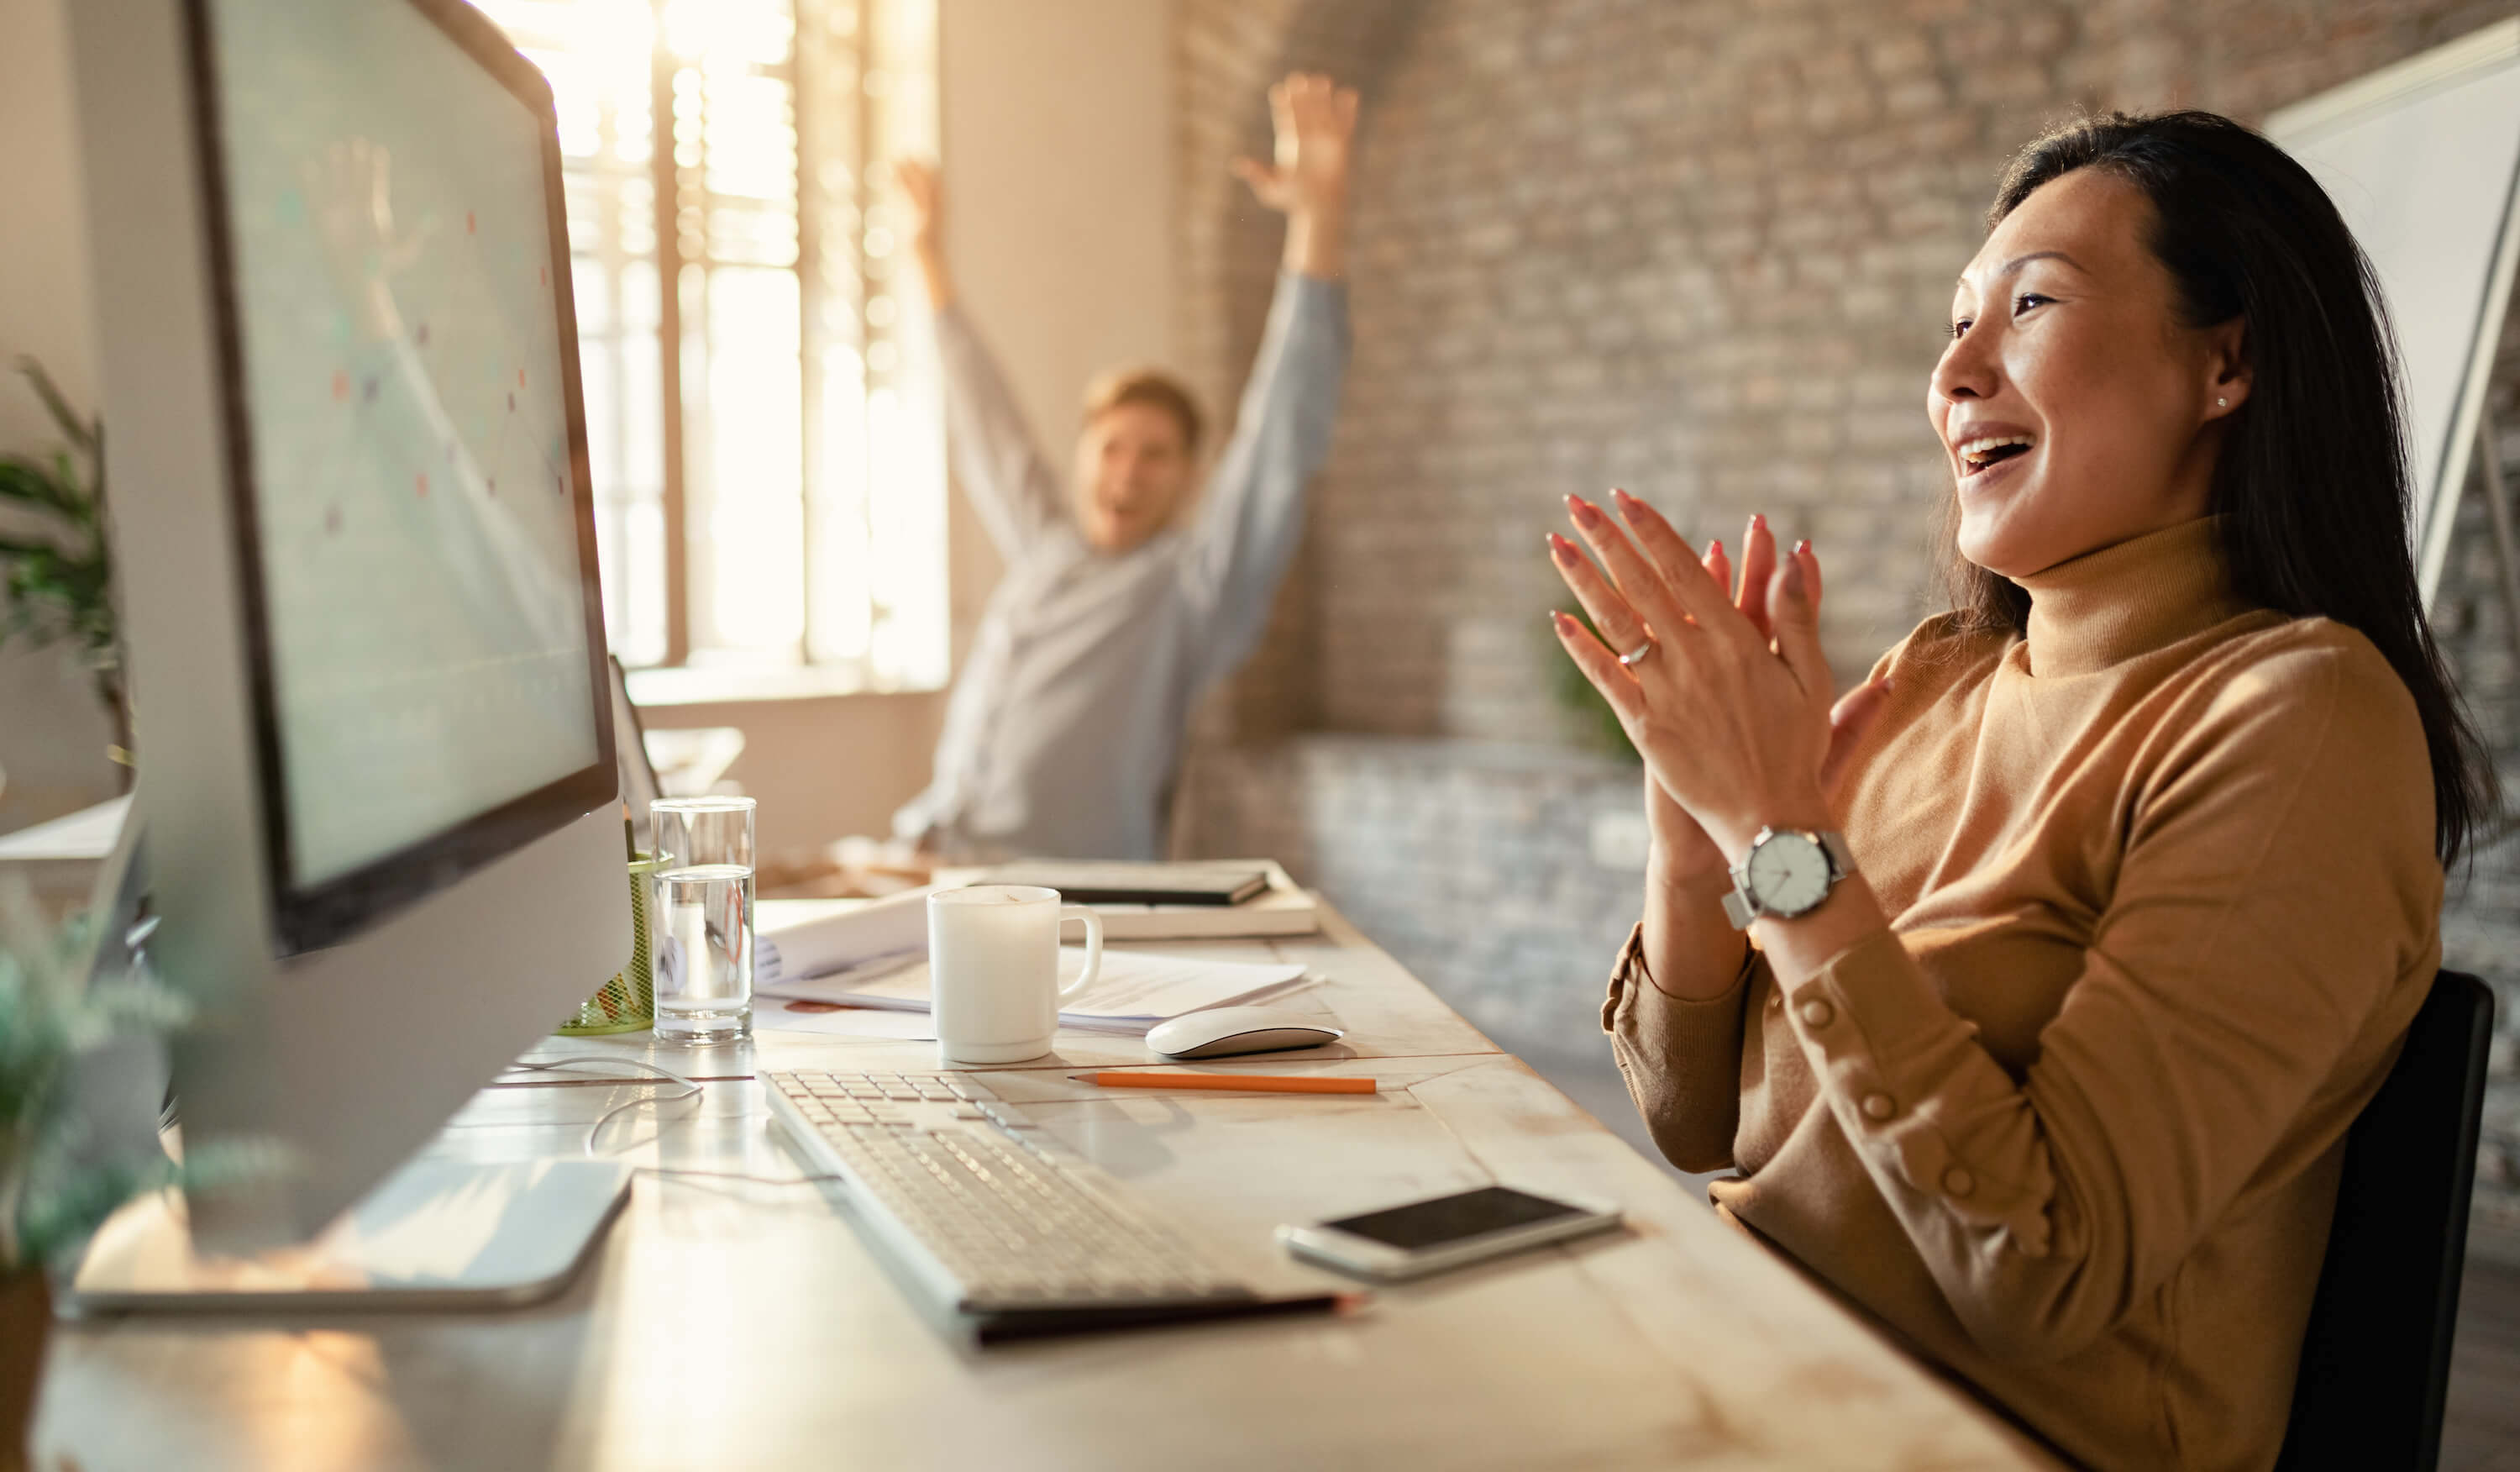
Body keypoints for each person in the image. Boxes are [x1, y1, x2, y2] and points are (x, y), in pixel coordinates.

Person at [1548, 111, 2490, 1471]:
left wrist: (1780, 835)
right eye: (1951, 323)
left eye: (2029, 304)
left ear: (2228, 361)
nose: (1952, 373)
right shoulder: (1935, 677)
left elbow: (2041, 1266)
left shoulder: (2301, 717)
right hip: (1726, 1362)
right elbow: (1695, 1115)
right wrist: (1699, 841)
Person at [887, 74, 1357, 861]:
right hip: (932, 853)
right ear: (1083, 458)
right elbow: (983, 419)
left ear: (1188, 479)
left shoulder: (1192, 589)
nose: (1128, 474)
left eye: (1155, 455)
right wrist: (924, 257)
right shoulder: (1044, 546)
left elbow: (1282, 436)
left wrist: (1320, 216)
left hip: (1067, 900)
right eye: (1112, 448)